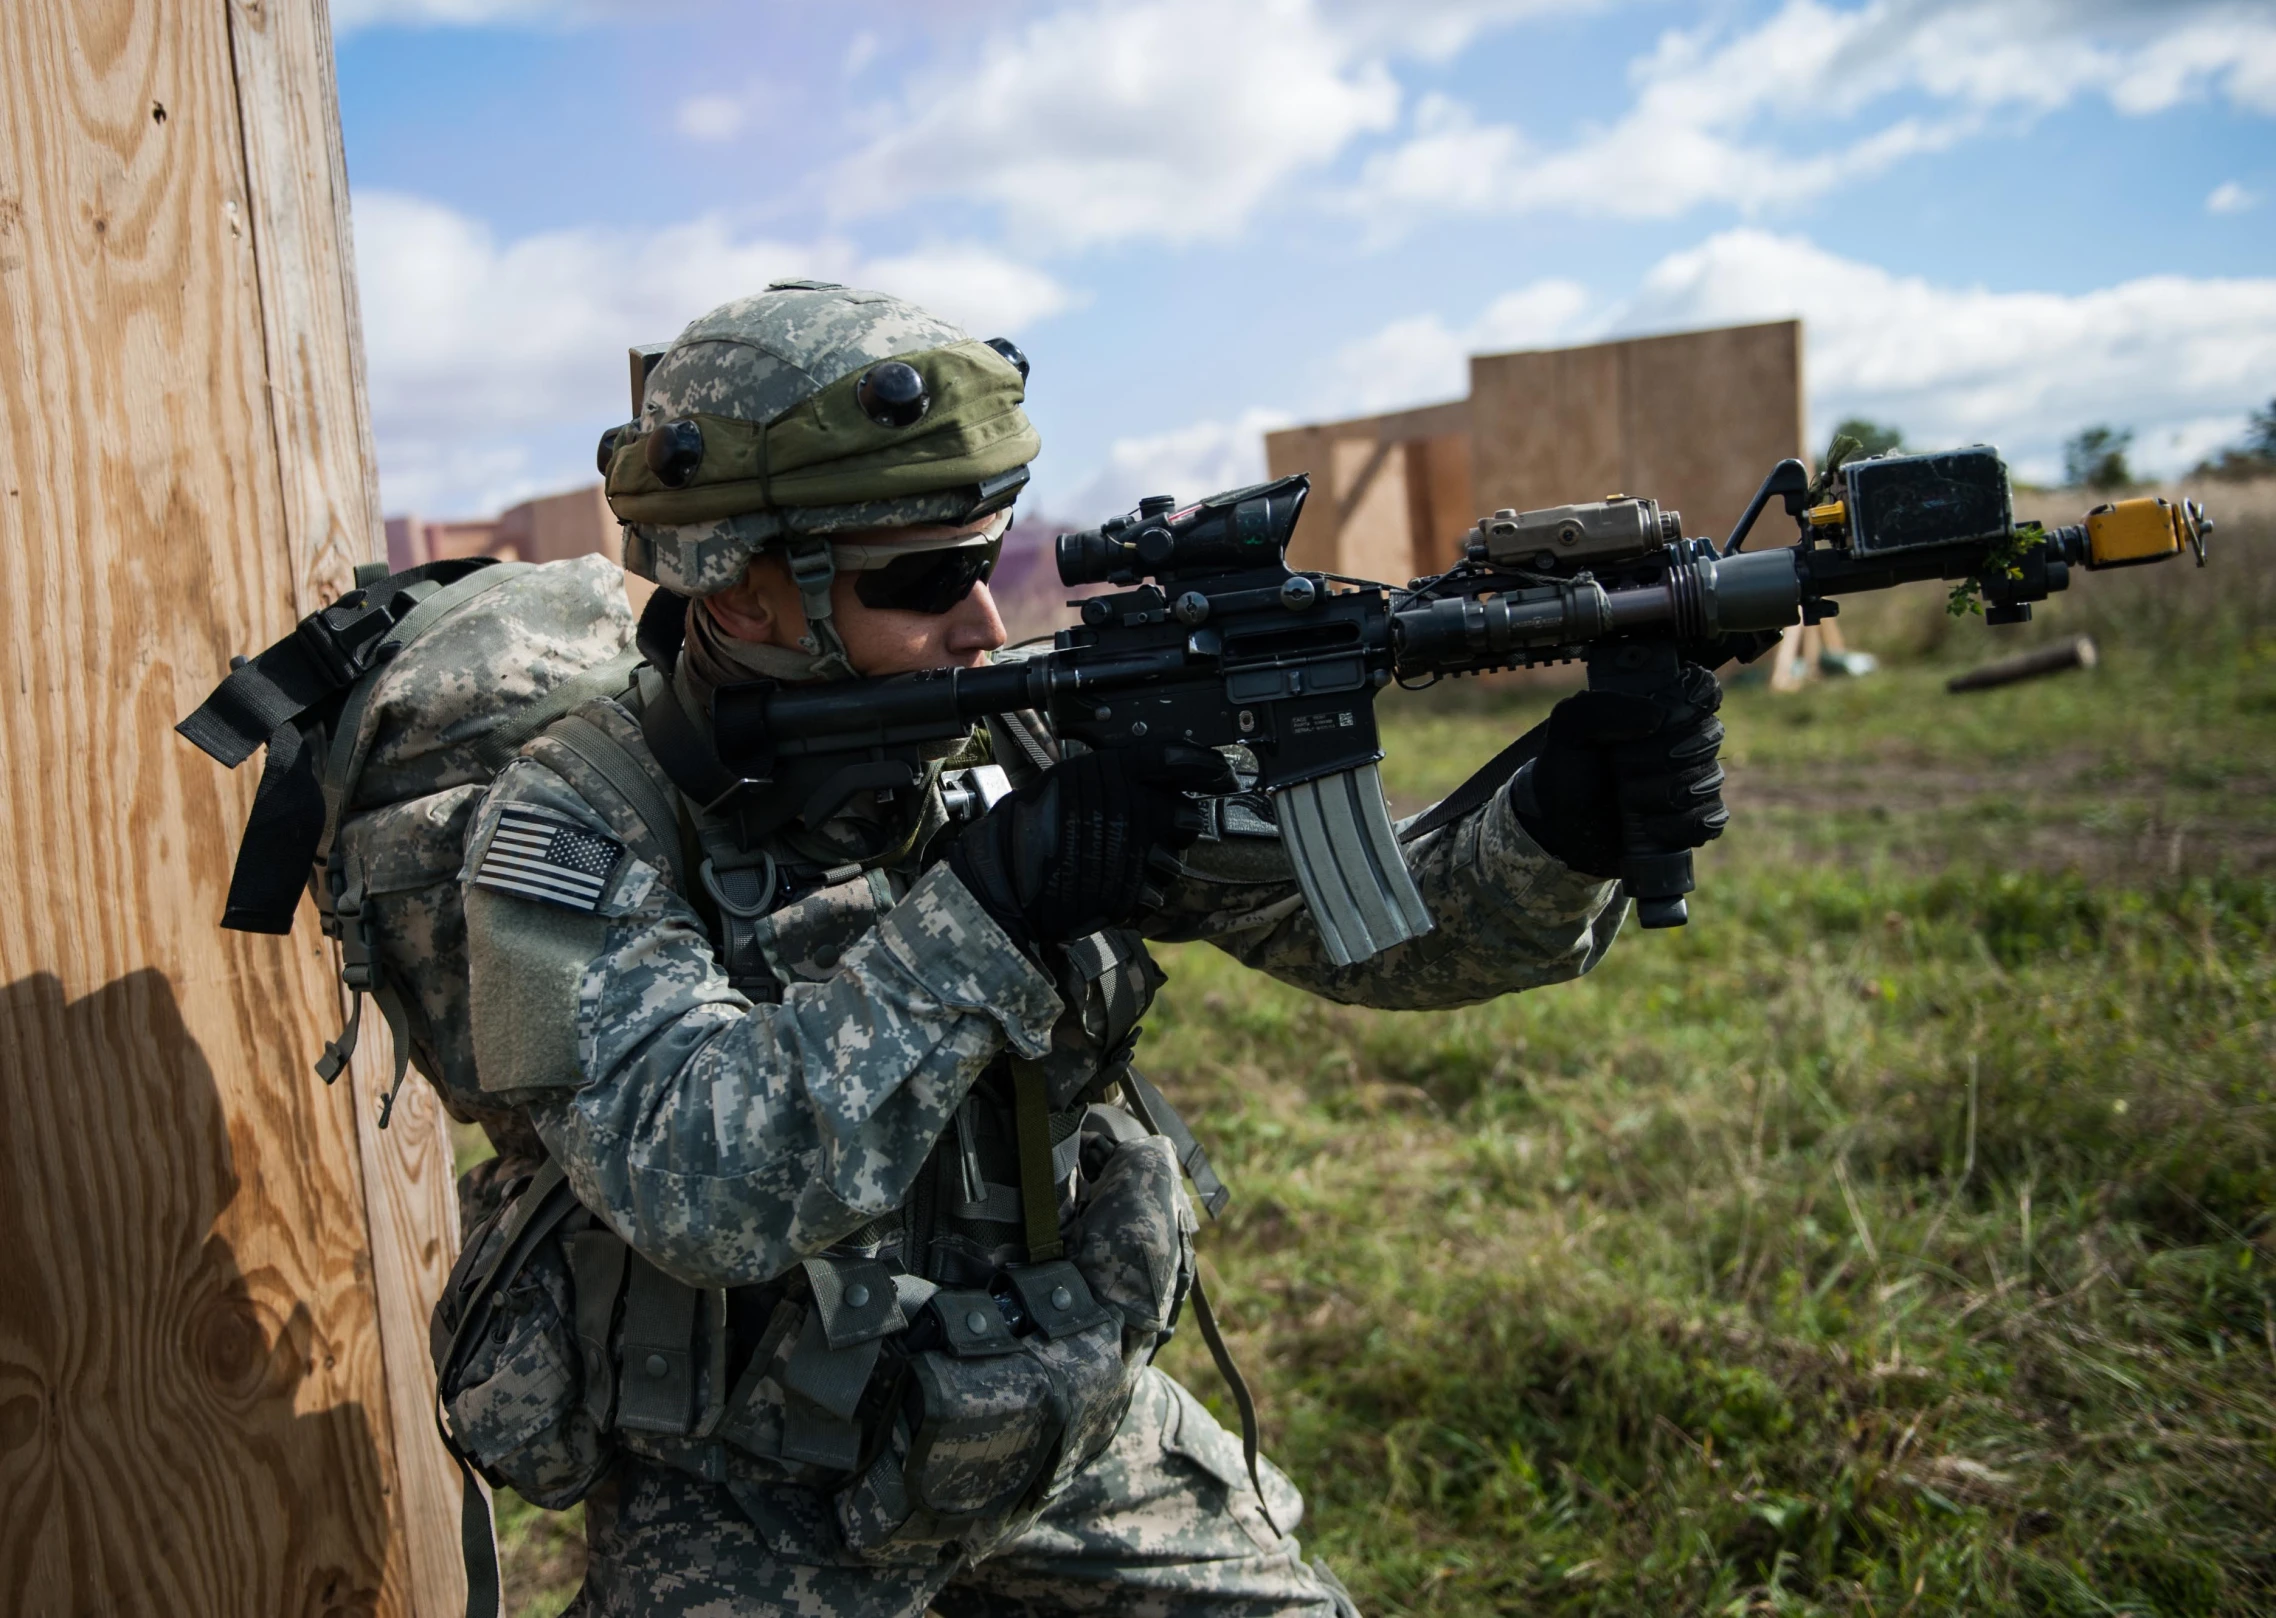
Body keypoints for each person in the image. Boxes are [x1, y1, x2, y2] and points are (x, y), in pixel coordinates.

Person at [458, 280, 1728, 1616]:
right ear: (746, 591)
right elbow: (693, 1181)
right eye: (925, 581)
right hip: (758, 1486)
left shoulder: (1012, 735)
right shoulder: (580, 814)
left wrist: (1562, 819)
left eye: (989, 562)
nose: (984, 624)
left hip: (1033, 1412)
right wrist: (982, 921)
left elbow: (1356, 925)